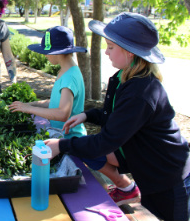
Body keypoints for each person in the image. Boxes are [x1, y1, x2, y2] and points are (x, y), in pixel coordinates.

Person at [44, 12, 190, 221]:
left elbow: (107, 141)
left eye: (111, 47)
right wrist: (87, 115)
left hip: (168, 176)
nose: (106, 52)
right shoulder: (124, 77)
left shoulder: (141, 92)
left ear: (130, 53)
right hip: (148, 169)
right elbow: (112, 114)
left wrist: (62, 145)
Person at [8, 26, 87, 139]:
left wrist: (29, 109)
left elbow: (62, 114)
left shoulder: (69, 78)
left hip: (68, 138)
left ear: (57, 52)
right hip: (60, 133)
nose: (45, 55)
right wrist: (31, 104)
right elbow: (56, 102)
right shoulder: (66, 70)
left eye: (47, 51)